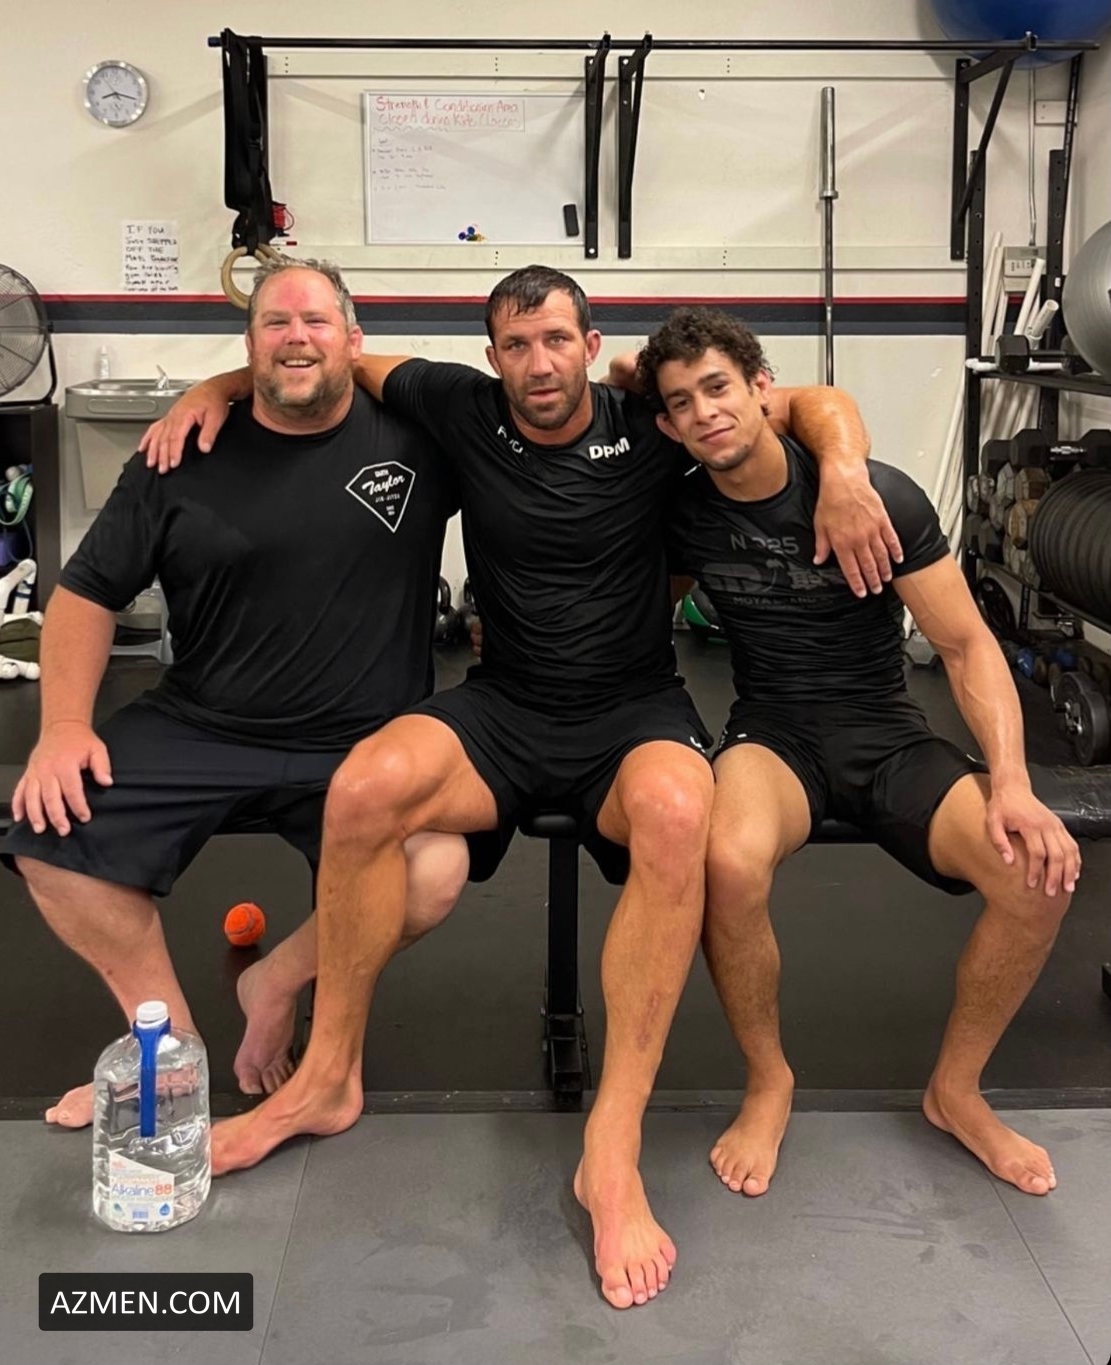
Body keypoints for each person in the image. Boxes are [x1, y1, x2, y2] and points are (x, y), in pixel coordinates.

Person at [142, 265, 898, 1310]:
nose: (537, 364)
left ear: (590, 346)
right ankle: (325, 1078)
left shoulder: (649, 416)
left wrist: (846, 468)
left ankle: (611, 1147)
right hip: (504, 707)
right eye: (514, 345)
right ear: (491, 355)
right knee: (364, 786)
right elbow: (322, 357)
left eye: (554, 340)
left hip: (631, 710)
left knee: (681, 811)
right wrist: (214, 388)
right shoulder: (459, 403)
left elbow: (807, 401)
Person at [0, 259, 488, 1130]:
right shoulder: (180, 450)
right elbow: (86, 592)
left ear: (354, 340)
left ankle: (278, 979)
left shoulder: (418, 439)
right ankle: (170, 1052)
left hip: (366, 740)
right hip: (205, 721)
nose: (297, 338)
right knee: (51, 832)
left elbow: (537, 419)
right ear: (249, 342)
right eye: (275, 323)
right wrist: (64, 724)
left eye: (316, 322)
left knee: (435, 869)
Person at [631, 305, 1081, 1203]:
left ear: (764, 391)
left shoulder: (875, 494)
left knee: (1033, 876)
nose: (705, 411)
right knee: (726, 860)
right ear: (668, 425)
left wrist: (1012, 781)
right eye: (681, 402)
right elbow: (642, 611)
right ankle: (769, 1079)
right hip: (773, 735)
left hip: (885, 732)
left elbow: (965, 646)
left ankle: (955, 1091)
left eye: (719, 387)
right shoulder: (682, 511)